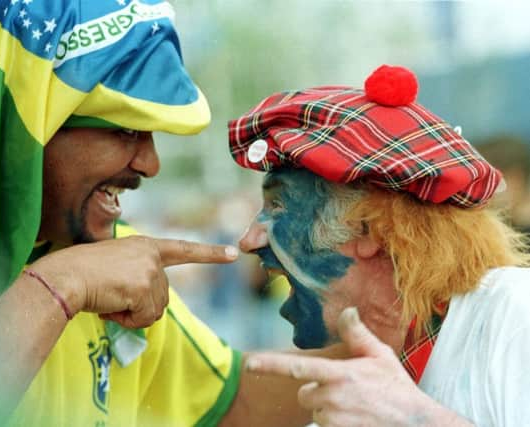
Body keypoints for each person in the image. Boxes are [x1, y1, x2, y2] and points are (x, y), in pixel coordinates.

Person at [0, 1, 321, 426]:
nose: (150, 164)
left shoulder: (110, 257)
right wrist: (60, 285)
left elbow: (230, 404)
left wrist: (387, 333)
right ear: (26, 127)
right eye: (125, 130)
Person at [227, 64, 530, 426]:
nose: (248, 240)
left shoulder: (514, 317)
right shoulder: (350, 400)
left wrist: (417, 420)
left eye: (277, 206)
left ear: (367, 228)